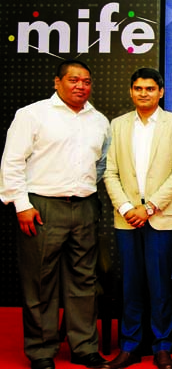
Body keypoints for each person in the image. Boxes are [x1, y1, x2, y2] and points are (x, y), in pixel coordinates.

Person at [0, 60, 110, 369]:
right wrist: (21, 204)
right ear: (57, 82)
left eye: (86, 81)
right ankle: (41, 352)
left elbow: (100, 165)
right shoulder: (32, 115)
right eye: (73, 80)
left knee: (84, 282)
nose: (80, 86)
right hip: (41, 207)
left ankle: (84, 348)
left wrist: (85, 187)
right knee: (40, 281)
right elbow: (12, 162)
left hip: (86, 206)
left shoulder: (99, 120)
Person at [103, 68, 172, 369]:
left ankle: (162, 346)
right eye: (138, 88)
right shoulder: (118, 125)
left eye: (150, 88)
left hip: (161, 217)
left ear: (161, 92)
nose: (144, 93)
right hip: (126, 218)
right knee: (130, 285)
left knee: (159, 285)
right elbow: (110, 172)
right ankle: (129, 346)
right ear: (131, 92)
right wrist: (127, 208)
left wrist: (150, 207)